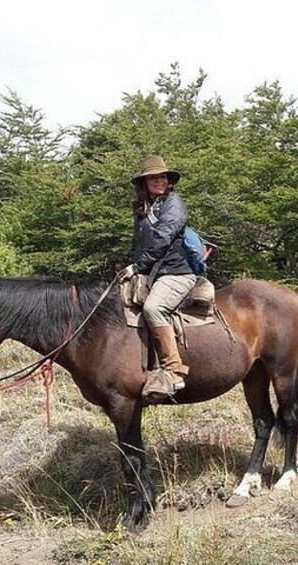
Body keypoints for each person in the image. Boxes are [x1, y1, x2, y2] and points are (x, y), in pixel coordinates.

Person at [119, 155, 195, 398]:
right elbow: (139, 243)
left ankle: (173, 372)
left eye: (162, 177)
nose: (159, 181)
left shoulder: (174, 204)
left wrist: (136, 266)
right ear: (145, 183)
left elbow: (162, 239)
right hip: (151, 272)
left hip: (175, 273)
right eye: (153, 178)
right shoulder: (144, 208)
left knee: (153, 308)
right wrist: (130, 268)